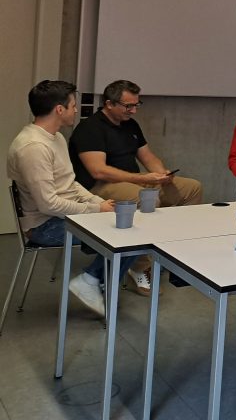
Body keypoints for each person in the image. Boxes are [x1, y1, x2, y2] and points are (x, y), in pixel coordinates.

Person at [69, 80, 202, 295]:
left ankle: (172, 254)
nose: (133, 110)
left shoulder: (130, 125)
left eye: (136, 105)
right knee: (146, 199)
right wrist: (142, 179)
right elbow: (98, 171)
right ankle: (139, 266)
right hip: (99, 188)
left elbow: (148, 157)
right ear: (109, 104)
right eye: (128, 106)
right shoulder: (90, 128)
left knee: (192, 188)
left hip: (133, 180)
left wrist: (162, 174)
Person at [6, 81, 125, 317]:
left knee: (126, 224)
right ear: (59, 110)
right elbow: (48, 204)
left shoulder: (56, 137)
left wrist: (98, 203)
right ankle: (93, 280)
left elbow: (70, 184)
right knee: (124, 233)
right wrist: (95, 210)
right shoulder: (33, 147)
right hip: (43, 226)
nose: (76, 110)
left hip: (62, 215)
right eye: (73, 105)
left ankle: (95, 281)